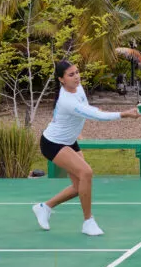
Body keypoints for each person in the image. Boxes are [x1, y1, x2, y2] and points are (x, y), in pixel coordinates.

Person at [32, 59, 124, 235]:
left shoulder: (78, 88)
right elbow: (95, 116)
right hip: (53, 144)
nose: (76, 77)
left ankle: (45, 207)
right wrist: (123, 114)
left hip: (69, 140)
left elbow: (86, 108)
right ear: (61, 79)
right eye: (71, 74)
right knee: (86, 173)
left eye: (77, 72)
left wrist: (91, 110)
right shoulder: (66, 100)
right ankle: (88, 222)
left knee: (79, 185)